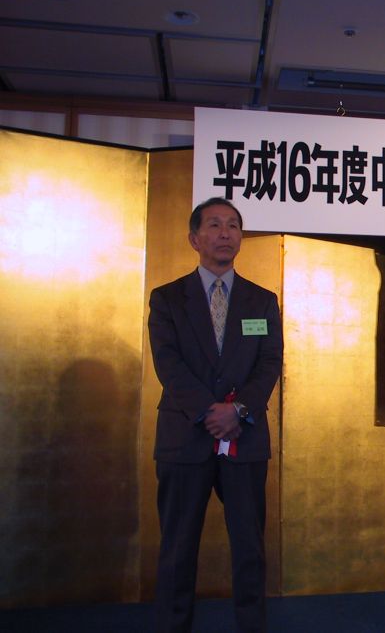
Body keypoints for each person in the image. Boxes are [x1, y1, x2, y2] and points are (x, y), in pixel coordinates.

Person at [148, 197, 283, 633]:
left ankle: (252, 626)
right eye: (214, 225)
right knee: (177, 547)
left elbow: (269, 362)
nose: (225, 233)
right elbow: (168, 363)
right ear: (194, 238)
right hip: (185, 438)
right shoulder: (168, 299)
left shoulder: (262, 301)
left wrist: (238, 411)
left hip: (245, 438)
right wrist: (210, 412)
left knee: (250, 547)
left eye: (233, 225)